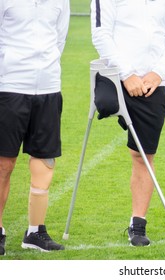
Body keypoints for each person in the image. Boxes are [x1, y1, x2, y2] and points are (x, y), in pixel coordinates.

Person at [90, 0, 165, 246]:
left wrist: (158, 72)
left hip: (153, 84)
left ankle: (138, 226)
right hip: (115, 78)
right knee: (107, 105)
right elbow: (101, 34)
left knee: (142, 156)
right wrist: (127, 74)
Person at [0, 0, 70, 255]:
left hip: (49, 88)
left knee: (44, 161)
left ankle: (35, 232)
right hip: (10, 88)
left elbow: (60, 38)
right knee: (4, 164)